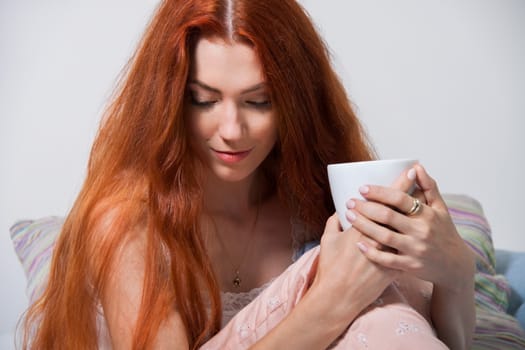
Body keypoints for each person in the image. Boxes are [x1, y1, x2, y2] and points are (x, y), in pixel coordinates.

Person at [21, 0, 476, 349]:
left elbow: (434, 338)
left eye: (259, 101)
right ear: (170, 102)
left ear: (295, 105)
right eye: (203, 99)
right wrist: (330, 302)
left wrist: (455, 269)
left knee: (383, 307)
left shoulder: (313, 199)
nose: (232, 131)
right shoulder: (126, 222)